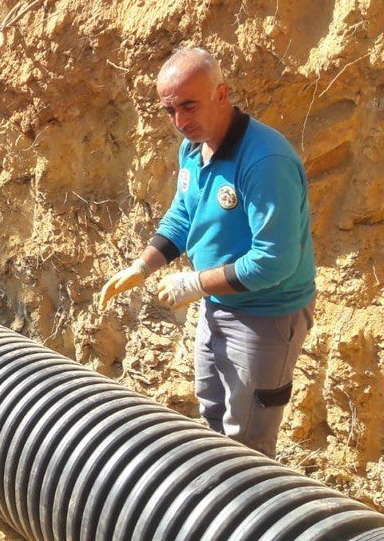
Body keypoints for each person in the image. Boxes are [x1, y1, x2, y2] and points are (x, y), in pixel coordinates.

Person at [99, 47, 316, 458]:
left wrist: (194, 282)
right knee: (214, 413)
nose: (180, 122)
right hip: (217, 303)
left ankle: (251, 514)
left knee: (248, 438)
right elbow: (184, 213)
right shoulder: (194, 148)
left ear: (222, 94)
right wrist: (143, 265)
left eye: (189, 105)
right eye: (170, 110)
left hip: (266, 317)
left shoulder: (265, 160)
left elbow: (275, 261)